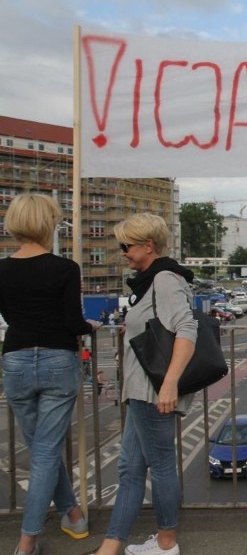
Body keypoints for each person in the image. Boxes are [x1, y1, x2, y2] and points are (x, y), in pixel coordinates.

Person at [84, 213, 198, 555]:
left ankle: (166, 544)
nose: (123, 252)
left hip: (152, 390)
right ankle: (112, 545)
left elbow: (186, 330)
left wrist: (170, 384)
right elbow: (156, 324)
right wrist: (131, 329)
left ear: (148, 246)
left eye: (127, 246)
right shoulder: (152, 280)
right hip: (140, 389)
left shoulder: (164, 278)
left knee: (160, 466)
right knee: (129, 468)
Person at [0, 193, 102, 555]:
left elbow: (11, 317)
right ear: (49, 224)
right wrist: (90, 324)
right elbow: (72, 322)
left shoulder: (1, 268)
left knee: (41, 449)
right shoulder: (64, 268)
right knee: (45, 451)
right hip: (59, 362)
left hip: (15, 360)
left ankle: (73, 514)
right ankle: (27, 542)